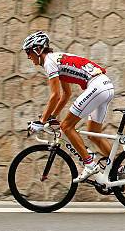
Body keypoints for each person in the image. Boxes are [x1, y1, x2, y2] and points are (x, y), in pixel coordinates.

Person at [23, 31, 115, 183]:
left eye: (29, 52)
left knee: (66, 126)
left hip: (97, 86)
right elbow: (66, 94)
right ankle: (118, 169)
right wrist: (52, 117)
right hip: (106, 85)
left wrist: (42, 121)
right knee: (93, 134)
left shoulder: (49, 62)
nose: (28, 56)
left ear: (38, 50)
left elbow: (55, 95)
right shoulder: (56, 59)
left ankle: (90, 164)